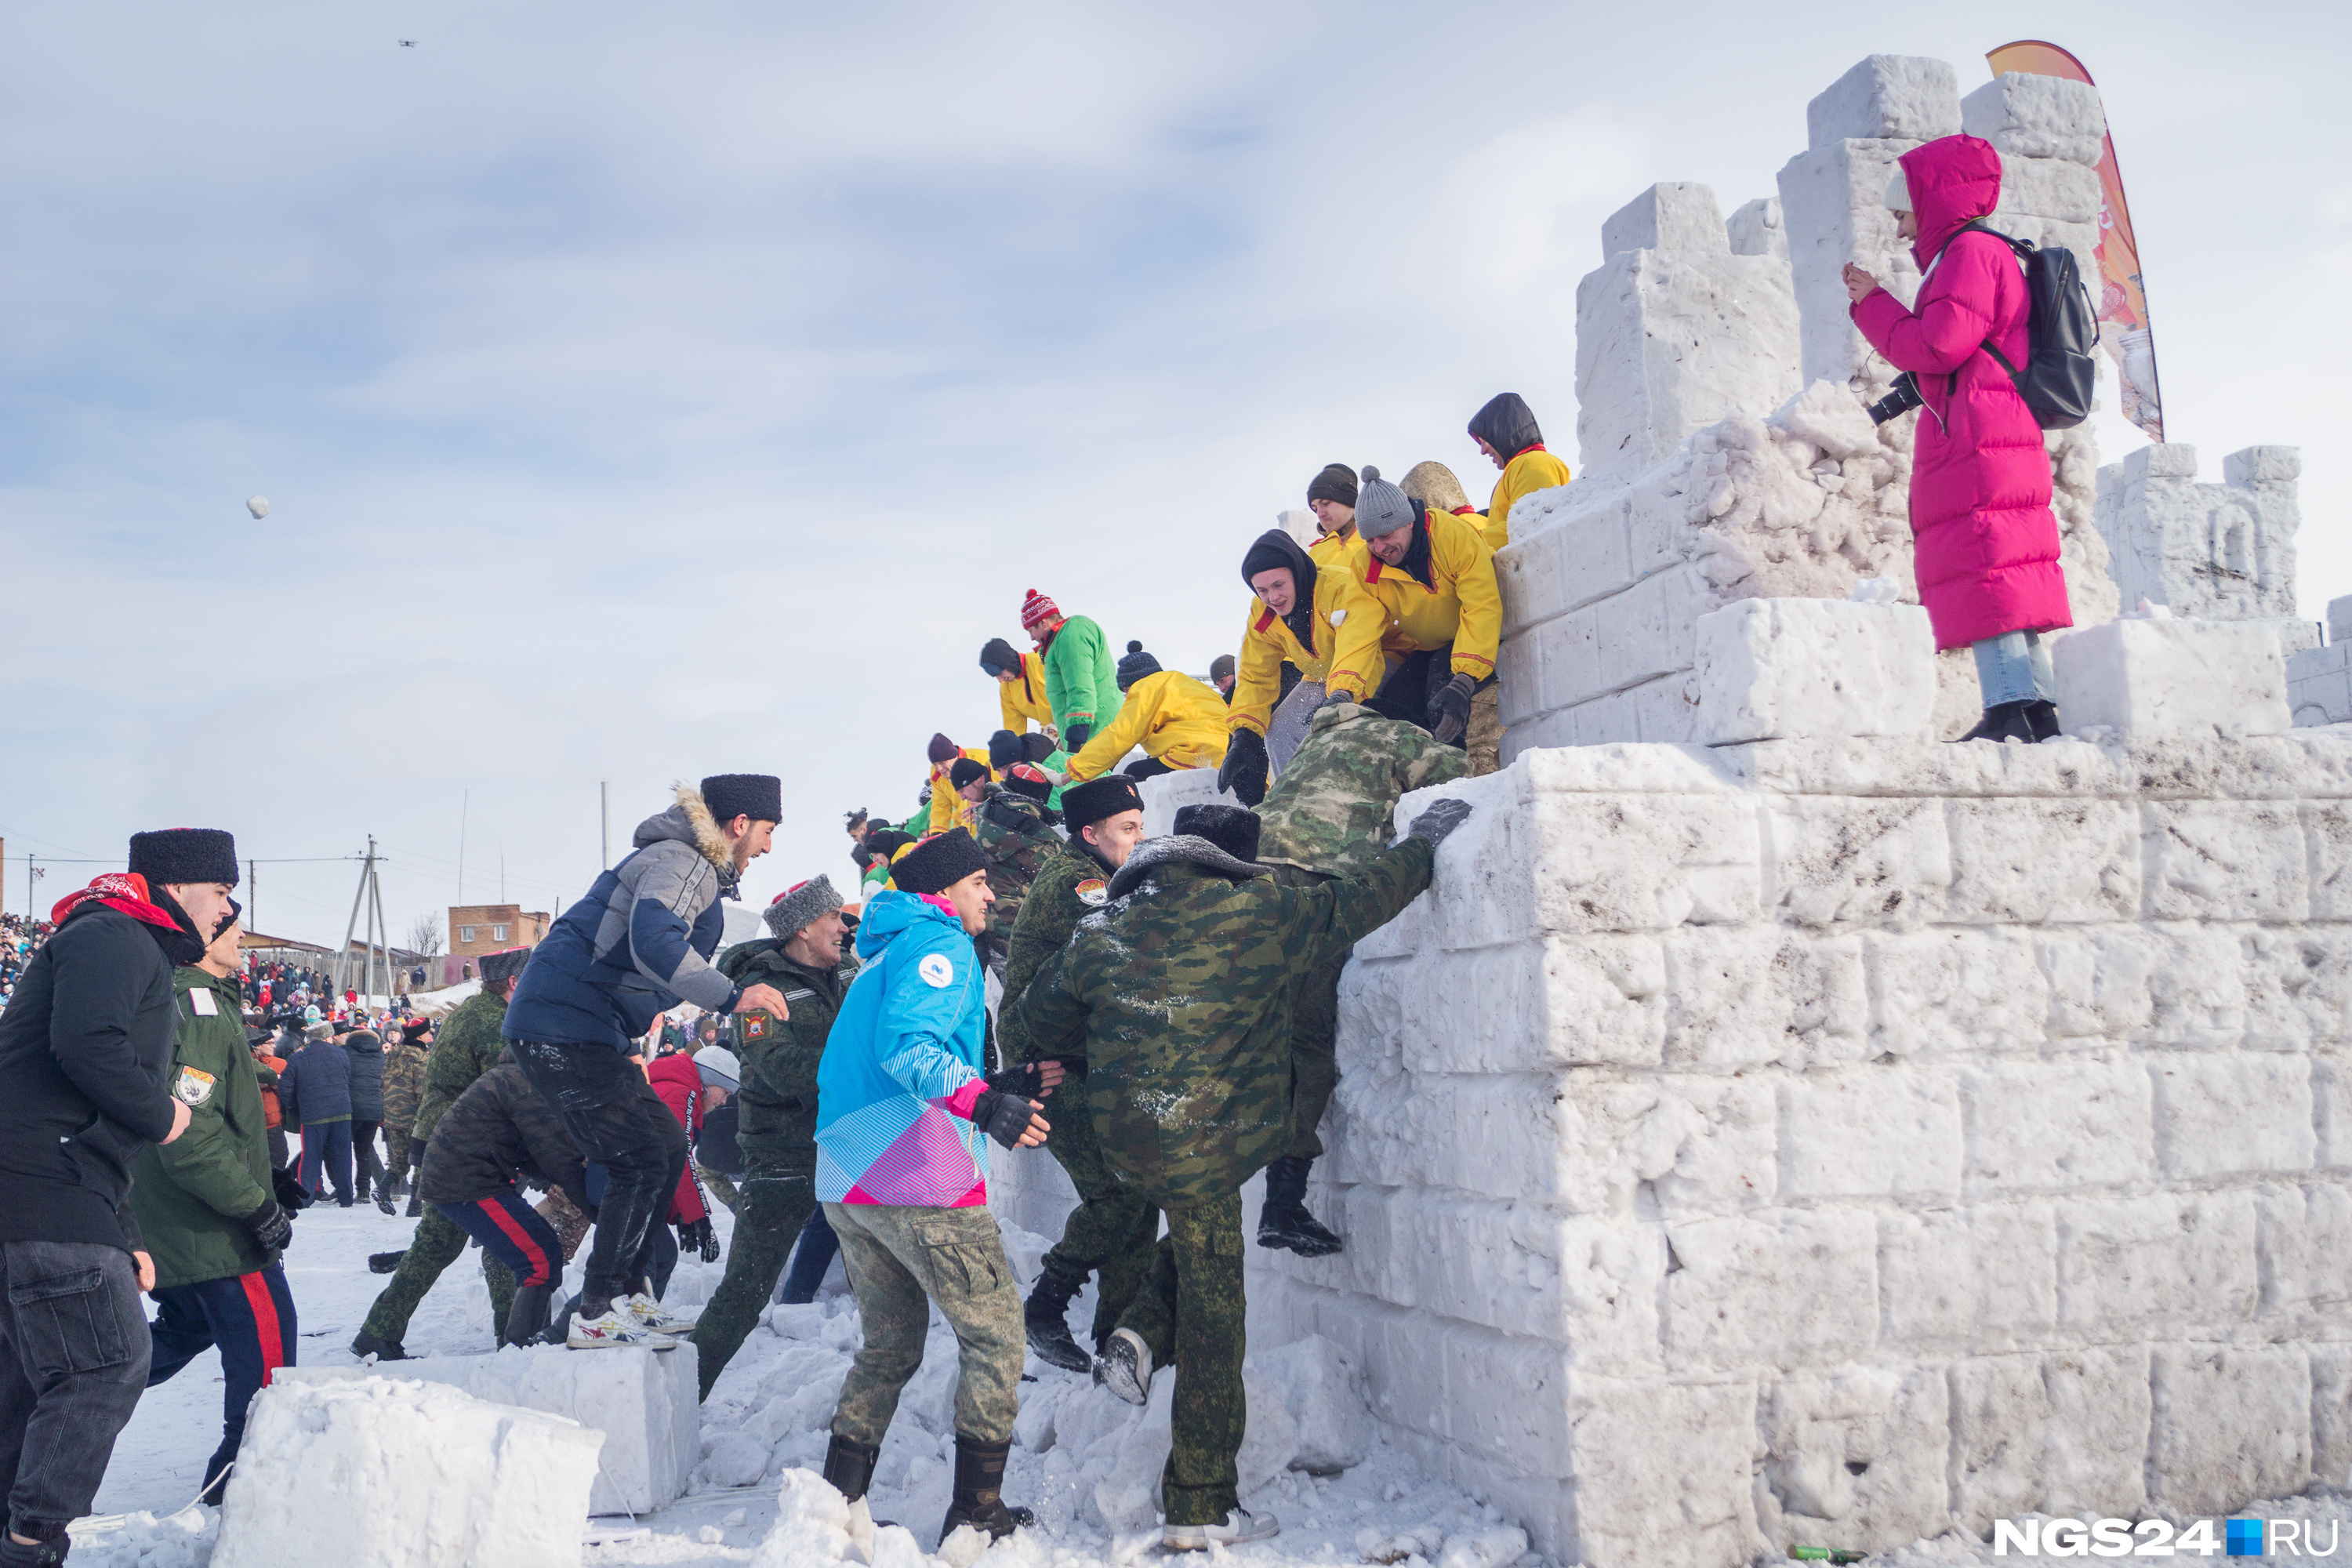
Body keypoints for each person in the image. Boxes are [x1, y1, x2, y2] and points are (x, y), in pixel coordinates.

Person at [1007, 797, 1470, 1551]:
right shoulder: (1263, 913)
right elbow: (1359, 899)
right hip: (1210, 1142)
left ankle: (1138, 1331)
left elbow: (1040, 1023)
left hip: (1127, 1140)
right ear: (1224, 867)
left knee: (1187, 1248)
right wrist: (1420, 845)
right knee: (1217, 1310)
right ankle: (1201, 1502)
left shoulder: (1101, 932)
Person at [811, 829, 1055, 1543]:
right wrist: (982, 1104)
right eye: (979, 882)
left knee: (889, 1345)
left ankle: (836, 1507)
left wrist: (989, 1084)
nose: (990, 893)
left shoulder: (885, 951)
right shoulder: (940, 944)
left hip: (849, 1174)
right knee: (998, 1336)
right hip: (917, 1171)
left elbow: (894, 1053)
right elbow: (908, 1047)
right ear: (943, 891)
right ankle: (976, 1515)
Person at [0, 829, 224, 1566]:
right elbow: (87, 1046)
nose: (227, 911)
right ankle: (31, 1541)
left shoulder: (115, 938)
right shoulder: (114, 933)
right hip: (44, 1188)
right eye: (222, 893)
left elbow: (81, 1111)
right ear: (181, 886)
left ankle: (16, 1534)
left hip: (51, 1187)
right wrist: (166, 1115)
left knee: (33, 1380)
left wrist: (123, 1229)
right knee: (106, 1364)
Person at [504, 775, 789, 1350]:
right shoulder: (683, 862)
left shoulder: (689, 865)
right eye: (766, 831)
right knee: (638, 1152)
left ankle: (628, 1294)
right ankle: (595, 1306)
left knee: (661, 1143)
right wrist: (733, 998)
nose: (767, 846)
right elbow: (654, 942)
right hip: (563, 1023)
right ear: (739, 825)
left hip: (585, 1025)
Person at [1845, 137, 2071, 743]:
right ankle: (2036, 708)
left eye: (1902, 211)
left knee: (1987, 566)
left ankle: (2008, 709)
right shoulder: (1982, 253)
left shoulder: (1969, 253)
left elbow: (1938, 346)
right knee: (2006, 565)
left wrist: (1872, 306)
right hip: (1994, 426)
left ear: (1932, 198)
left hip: (1979, 435)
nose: (1898, 229)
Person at [1250, 701, 1469, 1252]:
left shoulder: (1310, 745)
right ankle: (1283, 1203)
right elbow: (1458, 776)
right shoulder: (1393, 732)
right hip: (1314, 882)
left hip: (1253, 880)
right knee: (1306, 1038)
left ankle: (1269, 1192)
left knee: (1261, 1034)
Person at [132, 902, 299, 1507]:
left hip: (180, 1220)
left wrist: (269, 1182)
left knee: (185, 1328)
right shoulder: (198, 1007)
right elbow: (188, 1132)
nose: (245, 945)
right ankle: (242, 1489)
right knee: (270, 1366)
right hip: (217, 1232)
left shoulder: (197, 998)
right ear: (204, 938)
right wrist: (254, 1206)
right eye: (234, 932)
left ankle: (77, 1388)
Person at [994, 776, 1156, 1374]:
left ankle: (1119, 1338)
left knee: (1130, 1206)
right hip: (1052, 1066)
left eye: (1140, 826)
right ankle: (1046, 1303)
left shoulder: (1096, 872)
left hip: (1076, 1057)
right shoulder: (1077, 884)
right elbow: (1128, 945)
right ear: (1090, 834)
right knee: (1124, 1194)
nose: (1139, 841)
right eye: (1128, 829)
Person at [695, 877, 858, 1399]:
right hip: (784, 1155)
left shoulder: (847, 974)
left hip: (851, 1147)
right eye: (833, 917)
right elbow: (774, 1069)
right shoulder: (764, 990)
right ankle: (680, 1396)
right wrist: (859, 1072)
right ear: (804, 928)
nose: (843, 925)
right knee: (745, 1292)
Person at [351, 946, 531, 1358]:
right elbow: (509, 1095)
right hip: (467, 1147)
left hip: (446, 1140)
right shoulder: (494, 1023)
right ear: (515, 983)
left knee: (439, 1242)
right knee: (503, 1237)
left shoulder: (474, 1012)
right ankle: (515, 1336)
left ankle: (380, 1329)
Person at [416, 1060, 597, 1351]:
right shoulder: (526, 1081)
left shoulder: (519, 1073)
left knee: (544, 1248)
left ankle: (529, 1342)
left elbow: (529, 1145)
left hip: (474, 1174)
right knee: (538, 1258)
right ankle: (521, 1348)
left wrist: (545, 1173)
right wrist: (595, 1208)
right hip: (466, 1180)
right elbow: (554, 1151)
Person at [1220, 528, 1388, 800]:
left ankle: (1357, 800)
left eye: (1278, 585)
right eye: (1262, 590)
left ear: (1296, 574)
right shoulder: (1263, 612)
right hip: (1324, 676)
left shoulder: (1339, 587)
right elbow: (1256, 675)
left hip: (1375, 660)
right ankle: (1297, 805)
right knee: (1281, 729)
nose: (1272, 598)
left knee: (1345, 729)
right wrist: (1245, 733)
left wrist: (1343, 695)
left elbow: (1359, 644)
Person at [1350, 466, 1503, 749]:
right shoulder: (1365, 568)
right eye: (1370, 540)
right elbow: (1358, 632)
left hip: (1479, 638)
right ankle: (1417, 781)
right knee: (1394, 705)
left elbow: (1482, 605)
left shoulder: (1453, 536)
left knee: (1442, 695)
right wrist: (1343, 692)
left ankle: (1457, 775)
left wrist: (1464, 679)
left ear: (1408, 522)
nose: (1379, 547)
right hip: (1429, 645)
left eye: (1385, 535)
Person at [1061, 644, 1230, 783]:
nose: (1128, 697)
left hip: (1200, 753)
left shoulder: (1145, 687)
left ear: (1132, 683)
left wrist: (1074, 770)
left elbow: (1120, 735)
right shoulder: (1186, 682)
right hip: (1230, 750)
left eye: (1126, 691)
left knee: (1134, 774)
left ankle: (1138, 825)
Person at [966, 768, 1062, 979]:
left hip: (985, 927)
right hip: (1020, 936)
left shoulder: (987, 817)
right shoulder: (1041, 839)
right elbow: (1059, 891)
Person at [1019, 589, 1123, 753]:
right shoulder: (1061, 639)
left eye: (1031, 630)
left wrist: (1076, 737)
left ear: (1043, 622)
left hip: (1095, 732)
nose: (1032, 637)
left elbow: (1080, 685)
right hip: (1090, 731)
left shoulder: (1070, 636)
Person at [1466, 392, 1572, 550]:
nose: (1483, 451)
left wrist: (1463, 545)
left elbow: (1529, 527)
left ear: (1501, 431)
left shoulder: (1534, 463)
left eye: (1484, 441)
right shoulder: (1519, 467)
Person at [279, 1022, 354, 1206]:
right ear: (328, 1037)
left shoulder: (298, 1057)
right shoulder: (342, 1054)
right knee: (343, 1156)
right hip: (342, 1112)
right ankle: (346, 1198)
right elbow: (347, 1079)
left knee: (311, 1157)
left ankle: (306, 1198)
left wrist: (295, 1108)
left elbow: (285, 1088)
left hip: (312, 1115)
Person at [379, 1018, 432, 1204]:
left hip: (392, 1117)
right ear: (420, 1035)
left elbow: (383, 1085)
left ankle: (382, 1189)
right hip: (414, 1119)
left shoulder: (392, 1055)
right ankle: (415, 1205)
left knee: (399, 1161)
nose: (430, 1036)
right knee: (422, 1160)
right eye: (428, 1033)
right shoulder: (421, 1058)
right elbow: (422, 1092)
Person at [343, 1021, 392, 1214]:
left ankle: (344, 1188)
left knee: (342, 1149)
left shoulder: (345, 1053)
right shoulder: (381, 1055)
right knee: (363, 1151)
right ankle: (363, 1191)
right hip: (374, 1110)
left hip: (351, 1108)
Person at [689, 1045, 742, 1214]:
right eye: (725, 1094)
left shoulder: (700, 1098)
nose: (724, 1101)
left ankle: (738, 1207)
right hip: (744, 1153)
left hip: (711, 1155)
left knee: (705, 1171)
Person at [980, 637, 1058, 742]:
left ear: (1007, 662)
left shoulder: (1041, 661)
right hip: (1051, 732)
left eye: (1000, 672)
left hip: (1074, 718)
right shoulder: (1006, 689)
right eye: (995, 676)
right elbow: (1014, 730)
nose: (1000, 680)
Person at [924, 735, 995, 836]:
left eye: (942, 763)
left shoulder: (979, 761)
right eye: (935, 764)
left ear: (954, 757)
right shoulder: (937, 774)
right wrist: (937, 834)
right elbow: (940, 806)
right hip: (961, 820)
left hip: (985, 815)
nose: (939, 768)